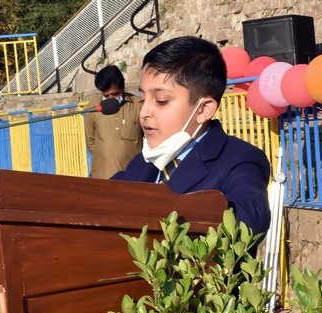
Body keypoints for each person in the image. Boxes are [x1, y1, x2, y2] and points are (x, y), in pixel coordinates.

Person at [112, 36, 271, 238]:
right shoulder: (144, 163)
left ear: (204, 109)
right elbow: (101, 200)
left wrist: (157, 210)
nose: (144, 113)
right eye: (142, 99)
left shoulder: (240, 159)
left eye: (161, 100)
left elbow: (250, 221)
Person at [85, 65, 143, 179]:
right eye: (106, 95)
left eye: (115, 94)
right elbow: (90, 142)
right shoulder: (93, 108)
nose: (110, 98)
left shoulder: (138, 105)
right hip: (101, 178)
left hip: (133, 179)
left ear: (122, 87)